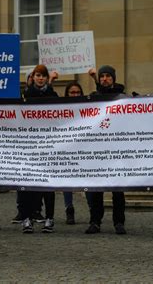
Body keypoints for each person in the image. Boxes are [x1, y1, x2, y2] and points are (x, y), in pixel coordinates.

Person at [85, 65, 127, 235]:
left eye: (108, 76)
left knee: (118, 190)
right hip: (98, 150)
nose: (104, 79)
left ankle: (119, 222)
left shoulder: (121, 96)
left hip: (116, 149)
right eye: (102, 76)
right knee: (96, 190)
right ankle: (95, 221)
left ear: (113, 78)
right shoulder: (94, 97)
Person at [20, 64, 58, 233]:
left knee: (49, 185)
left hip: (48, 143)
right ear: (33, 77)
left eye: (43, 75)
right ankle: (27, 217)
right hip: (30, 143)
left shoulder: (53, 94)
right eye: (38, 75)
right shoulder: (25, 94)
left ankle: (49, 218)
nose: (40, 78)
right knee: (28, 183)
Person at [61, 82, 85, 225]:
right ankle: (69, 209)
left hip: (84, 148)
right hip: (68, 147)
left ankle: (92, 210)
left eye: (77, 92)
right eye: (72, 92)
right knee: (66, 180)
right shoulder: (62, 108)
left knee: (88, 180)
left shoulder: (88, 107)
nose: (75, 95)